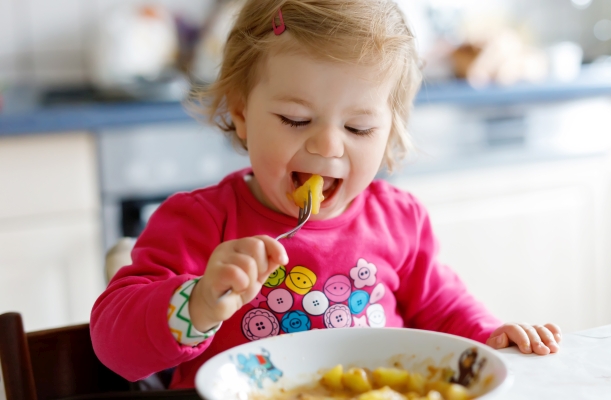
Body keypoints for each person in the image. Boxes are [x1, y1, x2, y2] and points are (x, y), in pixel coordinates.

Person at [90, 0, 561, 389]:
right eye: (296, 120)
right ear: (241, 114)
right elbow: (114, 349)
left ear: (389, 132)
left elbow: (443, 308)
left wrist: (489, 336)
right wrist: (197, 304)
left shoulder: (398, 220)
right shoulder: (199, 223)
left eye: (358, 127)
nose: (328, 145)